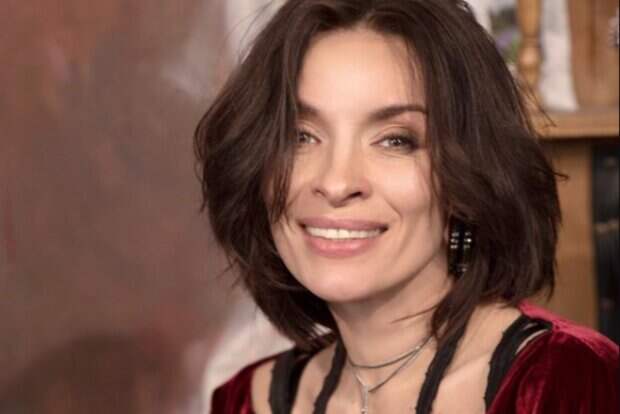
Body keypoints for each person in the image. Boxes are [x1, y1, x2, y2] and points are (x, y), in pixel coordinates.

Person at [194, 1, 619, 413]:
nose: (336, 183)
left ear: (470, 175)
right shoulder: (244, 400)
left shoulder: (565, 380)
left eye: (395, 140)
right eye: (300, 136)